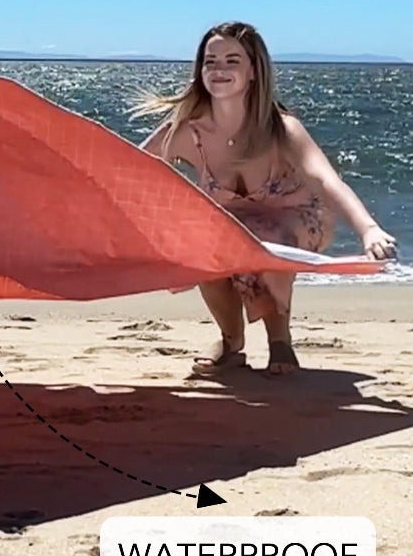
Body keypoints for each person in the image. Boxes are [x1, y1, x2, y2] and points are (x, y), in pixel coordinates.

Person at [137, 21, 397, 378]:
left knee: (261, 236)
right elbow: (130, 168)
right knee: (204, 239)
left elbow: (324, 179)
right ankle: (231, 343)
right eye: (210, 61)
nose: (219, 69)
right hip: (233, 222)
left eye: (232, 61)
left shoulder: (281, 128)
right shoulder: (186, 131)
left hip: (297, 219)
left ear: (254, 71)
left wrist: (368, 230)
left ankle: (279, 340)